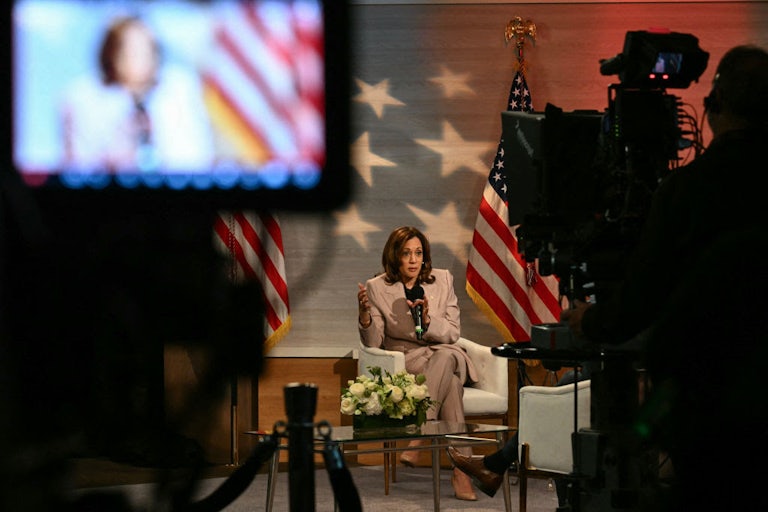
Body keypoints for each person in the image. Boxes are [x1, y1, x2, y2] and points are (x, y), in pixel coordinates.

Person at [559, 45, 768, 510]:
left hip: (715, 412)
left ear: (715, 108)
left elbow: (639, 304)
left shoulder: (689, 191)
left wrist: (589, 320)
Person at [357, 226, 479, 501]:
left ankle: (420, 435)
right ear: (395, 257)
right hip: (408, 361)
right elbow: (374, 342)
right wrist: (365, 315)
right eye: (406, 253)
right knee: (452, 386)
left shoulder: (443, 279)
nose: (413, 260)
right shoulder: (377, 287)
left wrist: (428, 321)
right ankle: (462, 472)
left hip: (444, 350)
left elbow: (452, 332)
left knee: (446, 357)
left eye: (418, 253)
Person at [61, 15, 215, 172]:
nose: (139, 55)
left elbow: (198, 157)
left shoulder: (181, 90)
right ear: (110, 53)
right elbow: (79, 164)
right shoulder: (83, 98)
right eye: (129, 48)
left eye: (147, 47)